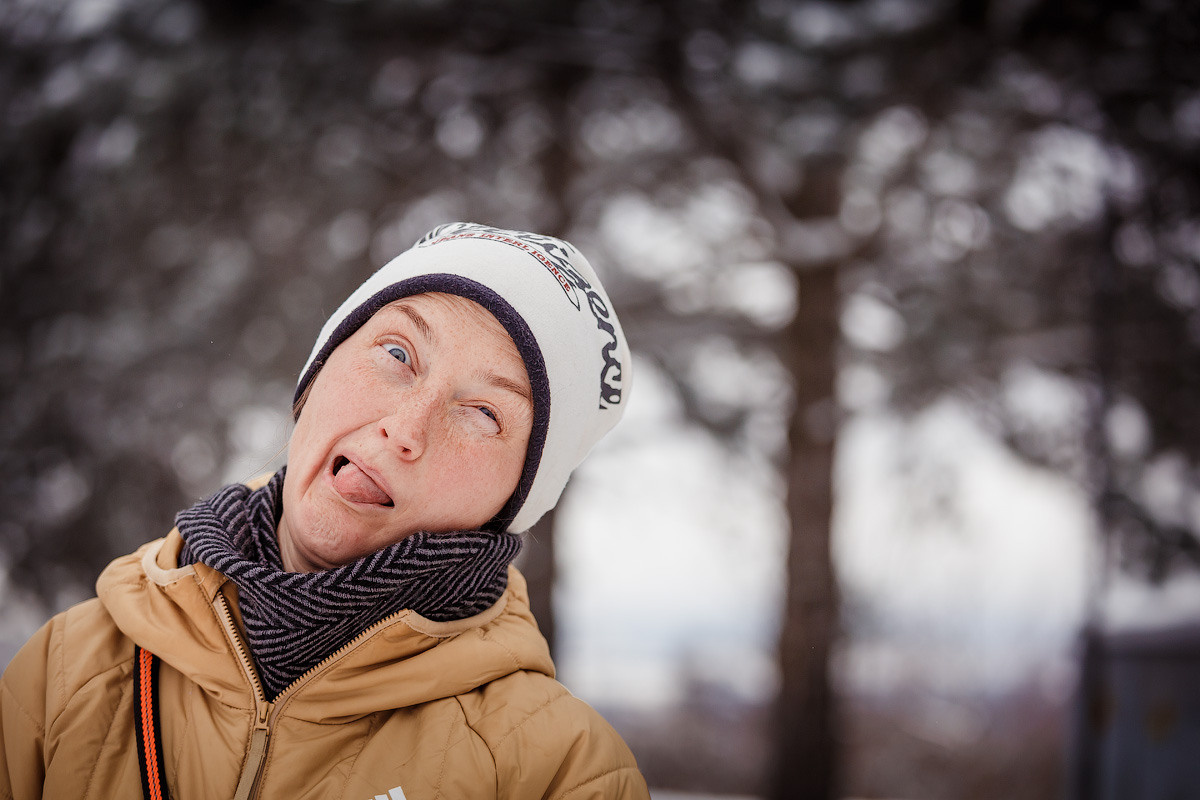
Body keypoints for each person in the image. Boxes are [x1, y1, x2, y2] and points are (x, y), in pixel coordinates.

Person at [0, 222, 651, 800]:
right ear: (318, 371)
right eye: (398, 353)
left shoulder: (560, 775)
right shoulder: (70, 669)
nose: (406, 428)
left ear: (517, 498)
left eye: (483, 413)